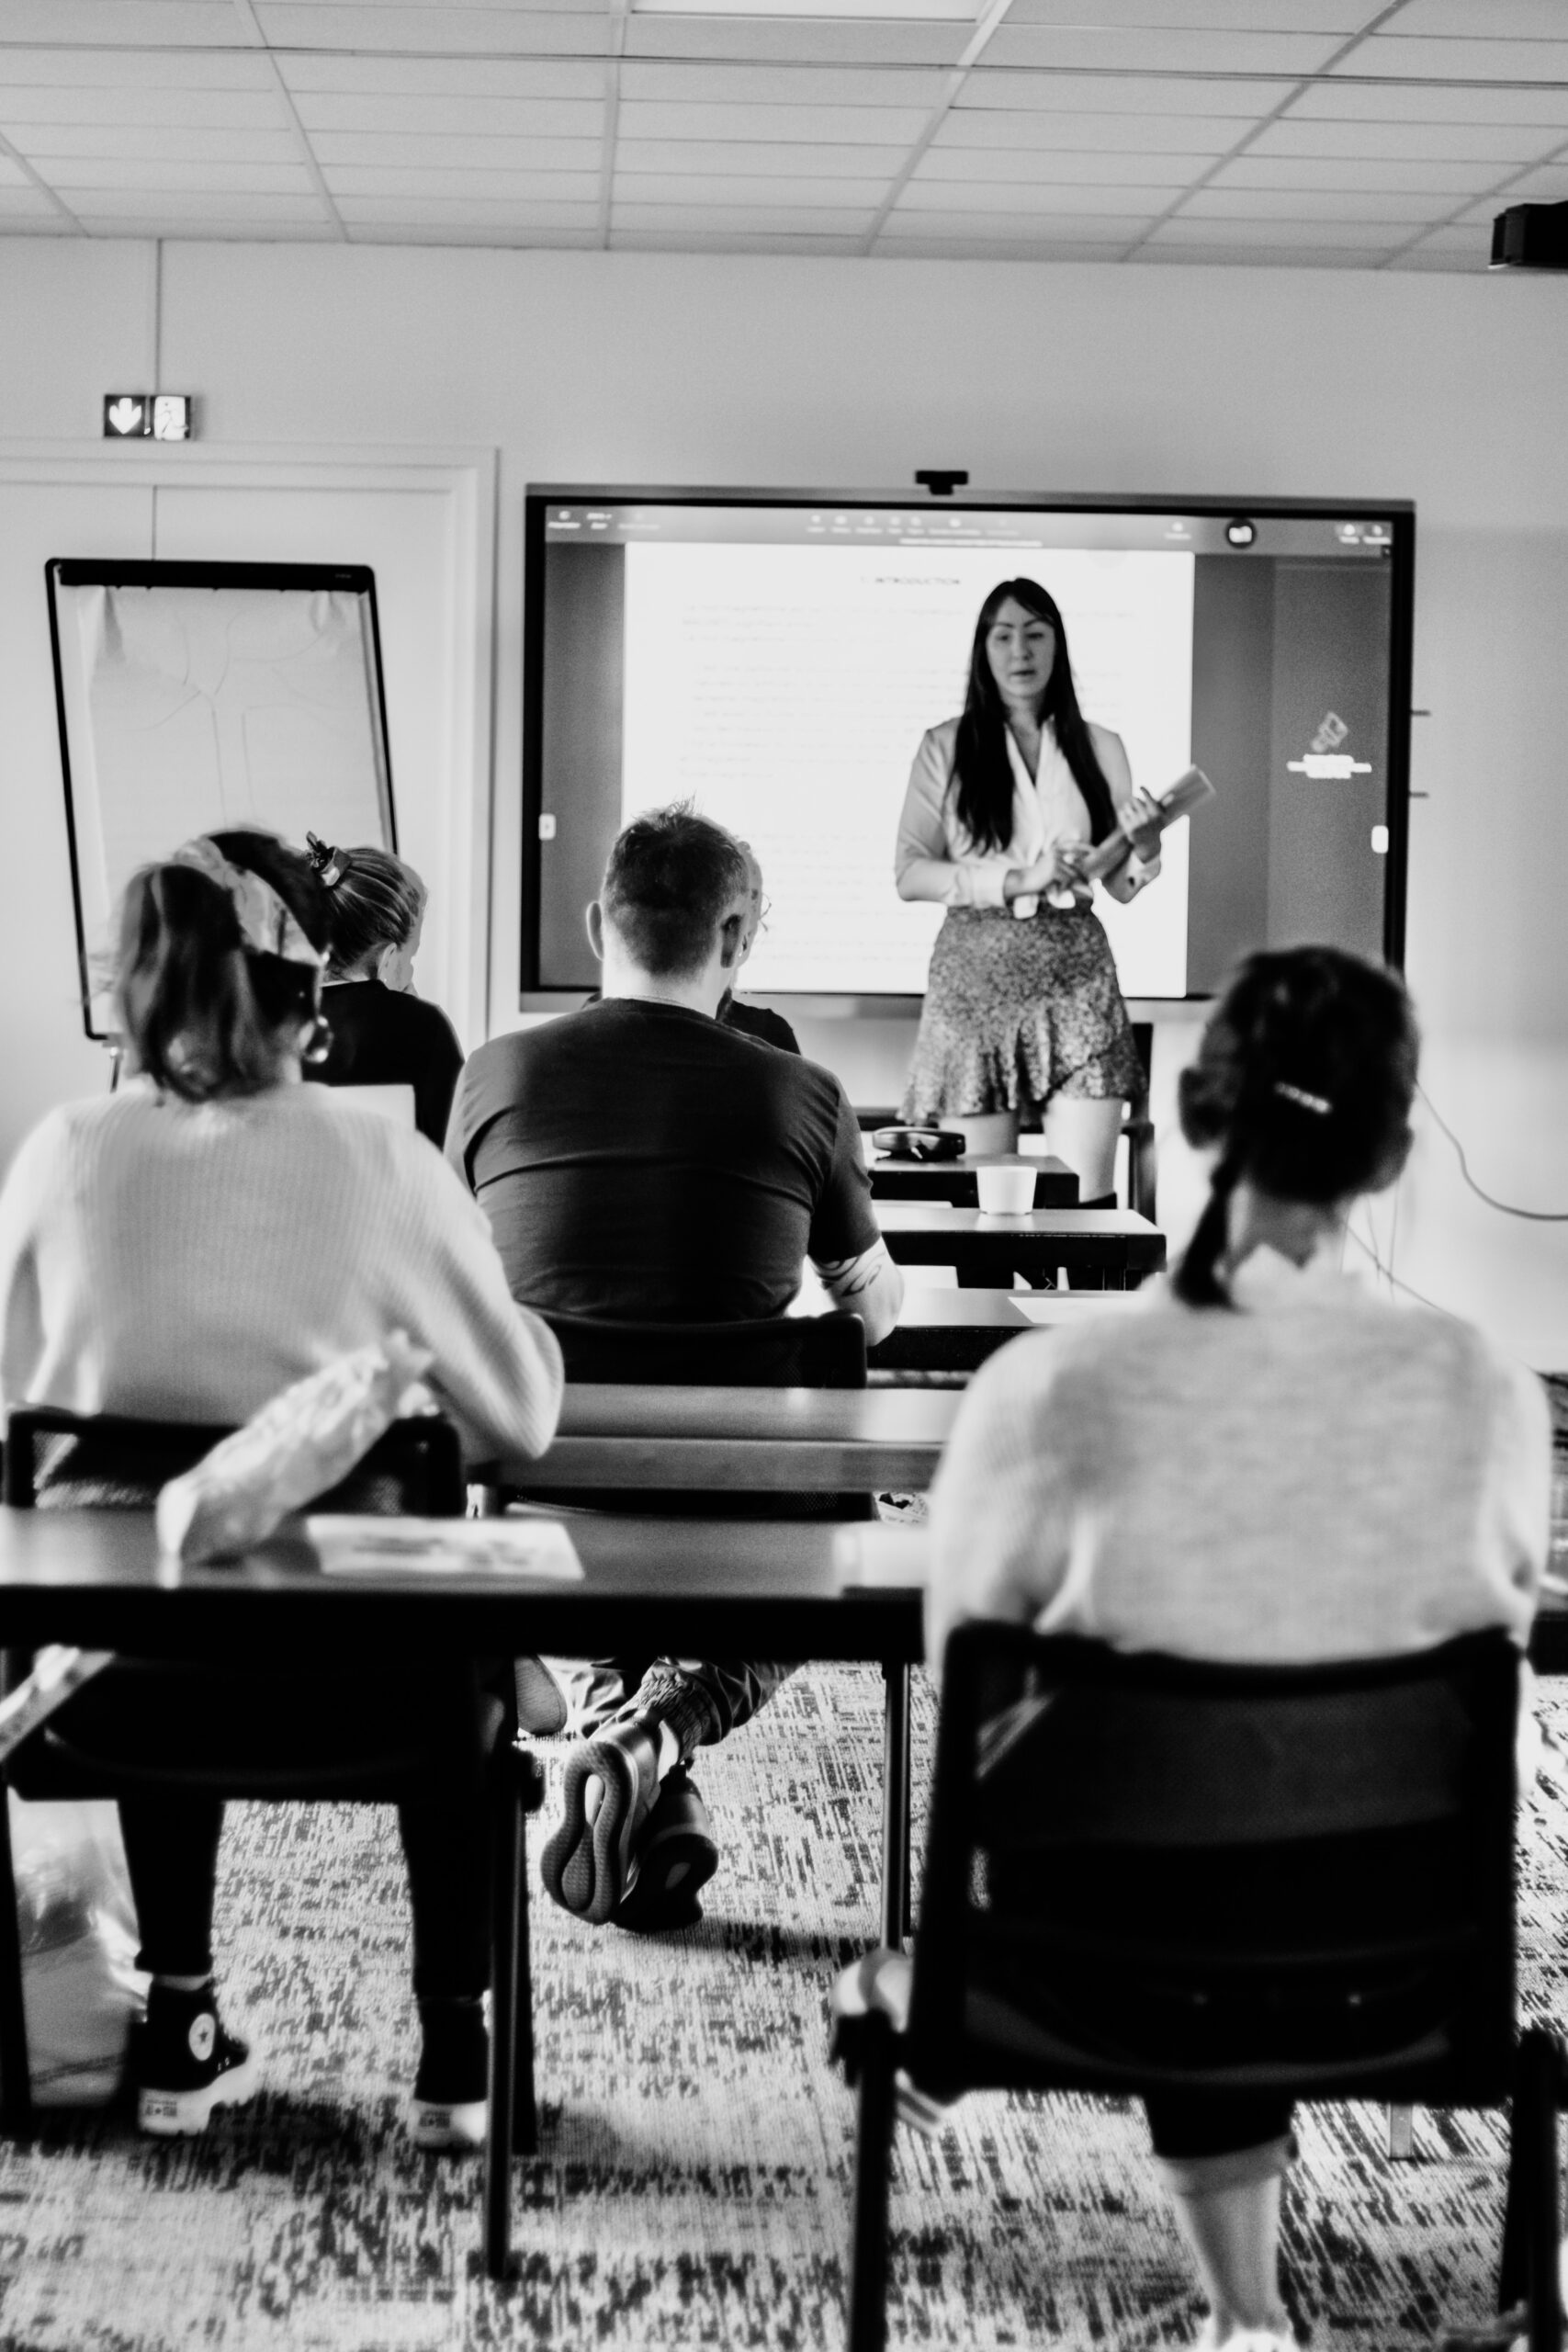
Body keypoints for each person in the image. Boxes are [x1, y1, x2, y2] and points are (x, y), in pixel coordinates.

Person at [927, 944, 1549, 2352]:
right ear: (1392, 1153)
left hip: (1077, 1954)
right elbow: (1492, 1640)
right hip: (1406, 1956)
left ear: (1197, 1122)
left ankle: (1246, 2318)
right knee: (1265, 1826)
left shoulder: (1048, 1383)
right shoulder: (1488, 1392)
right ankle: (1248, 2313)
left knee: (1184, 1838)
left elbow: (965, 1673)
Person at [0, 830, 563, 2149]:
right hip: (373, 1684)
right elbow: (515, 1417)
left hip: (103, 1689)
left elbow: (20, 1403)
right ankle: (451, 2061)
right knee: (440, 1628)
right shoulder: (382, 1167)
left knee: (165, 1565)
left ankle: (180, 2023)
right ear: (310, 996)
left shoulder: (62, 1154)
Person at [446, 804, 903, 1931]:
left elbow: (451, 1290)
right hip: (741, 1510)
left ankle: (608, 1736)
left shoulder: (492, 1072)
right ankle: (654, 1740)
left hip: (538, 1496)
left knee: (537, 1521)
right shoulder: (807, 1095)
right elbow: (877, 1319)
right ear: (737, 939)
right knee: (836, 1560)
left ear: (600, 920)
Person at [895, 577, 1165, 1204]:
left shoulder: (1101, 745)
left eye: (1035, 634)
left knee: (1085, 1199)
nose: (1020, 651)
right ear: (983, 650)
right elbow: (909, 872)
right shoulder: (944, 745)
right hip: (975, 975)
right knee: (988, 1206)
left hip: (1076, 972)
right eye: (1004, 635)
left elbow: (1122, 883)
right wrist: (1018, 879)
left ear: (1056, 647)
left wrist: (1145, 842)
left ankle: (1079, 1306)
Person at [301, 832, 463, 1146]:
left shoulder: (263, 1019)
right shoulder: (420, 1029)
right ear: (388, 959)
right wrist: (412, 1011)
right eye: (411, 955)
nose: (412, 970)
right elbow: (456, 1154)